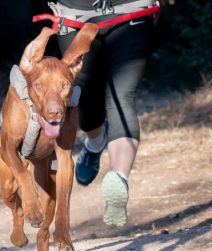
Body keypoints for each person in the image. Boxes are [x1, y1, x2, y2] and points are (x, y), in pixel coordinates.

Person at [48, 0, 156, 226]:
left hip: (133, 9)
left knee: (122, 96)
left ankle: (119, 180)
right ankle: (96, 143)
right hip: (75, 17)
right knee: (85, 98)